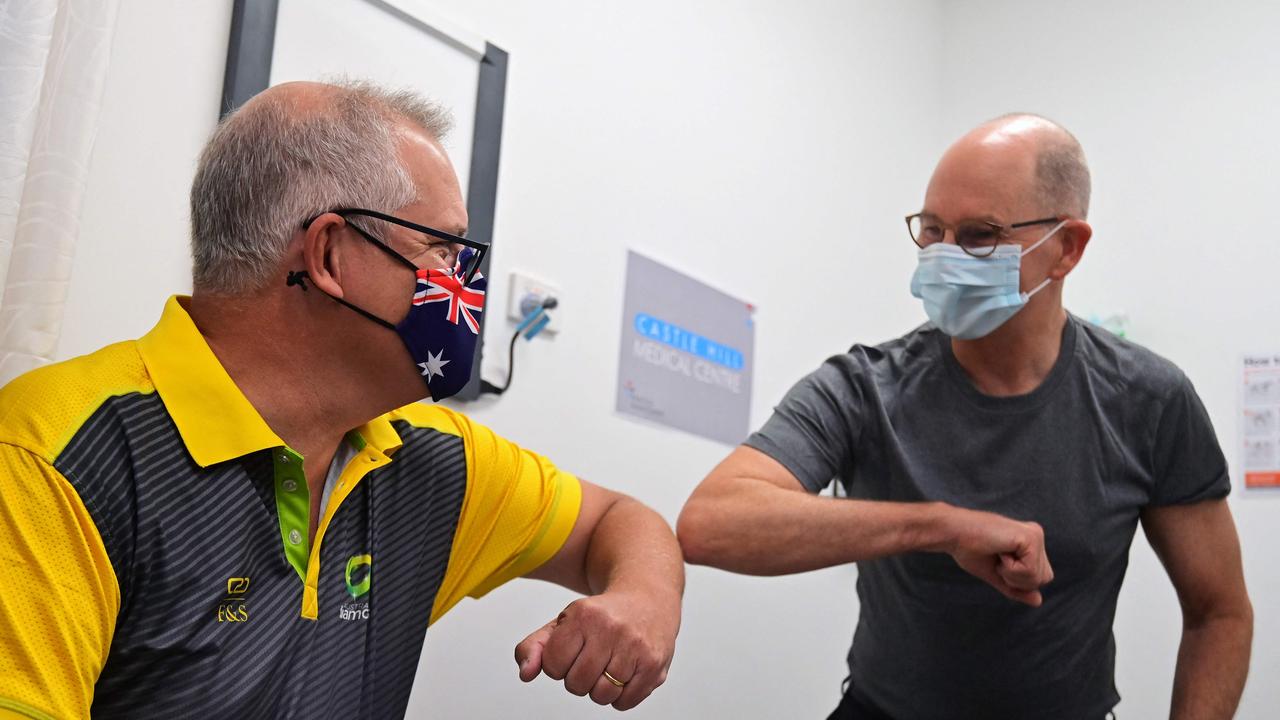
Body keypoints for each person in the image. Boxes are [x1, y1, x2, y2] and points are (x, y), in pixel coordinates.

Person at [0, 80, 683, 719]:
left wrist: (645, 599)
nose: (460, 282)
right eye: (441, 249)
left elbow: (615, 522)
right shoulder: (54, 459)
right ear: (329, 254)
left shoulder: (427, 454)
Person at [678, 114, 1252, 719]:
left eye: (980, 235)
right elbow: (712, 521)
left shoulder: (1149, 401)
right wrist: (942, 528)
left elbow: (1220, 612)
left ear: (1066, 247)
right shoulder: (865, 387)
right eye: (931, 230)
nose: (945, 257)